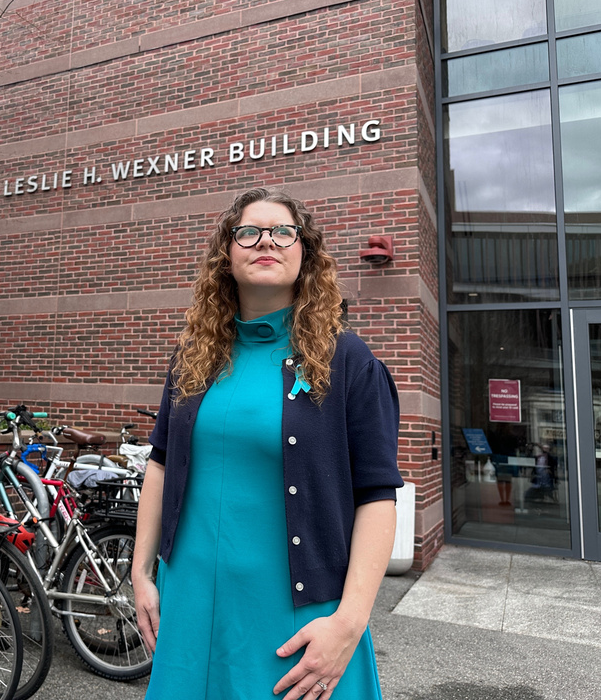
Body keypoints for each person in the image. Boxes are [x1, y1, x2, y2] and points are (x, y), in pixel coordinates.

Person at [132, 188, 403, 700]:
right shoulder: (194, 355)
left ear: (305, 254)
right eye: (248, 232)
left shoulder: (348, 360)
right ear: (226, 257)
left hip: (295, 614)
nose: (266, 242)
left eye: (283, 232)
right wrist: (142, 573)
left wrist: (348, 623)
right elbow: (162, 464)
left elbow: (378, 496)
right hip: (189, 601)